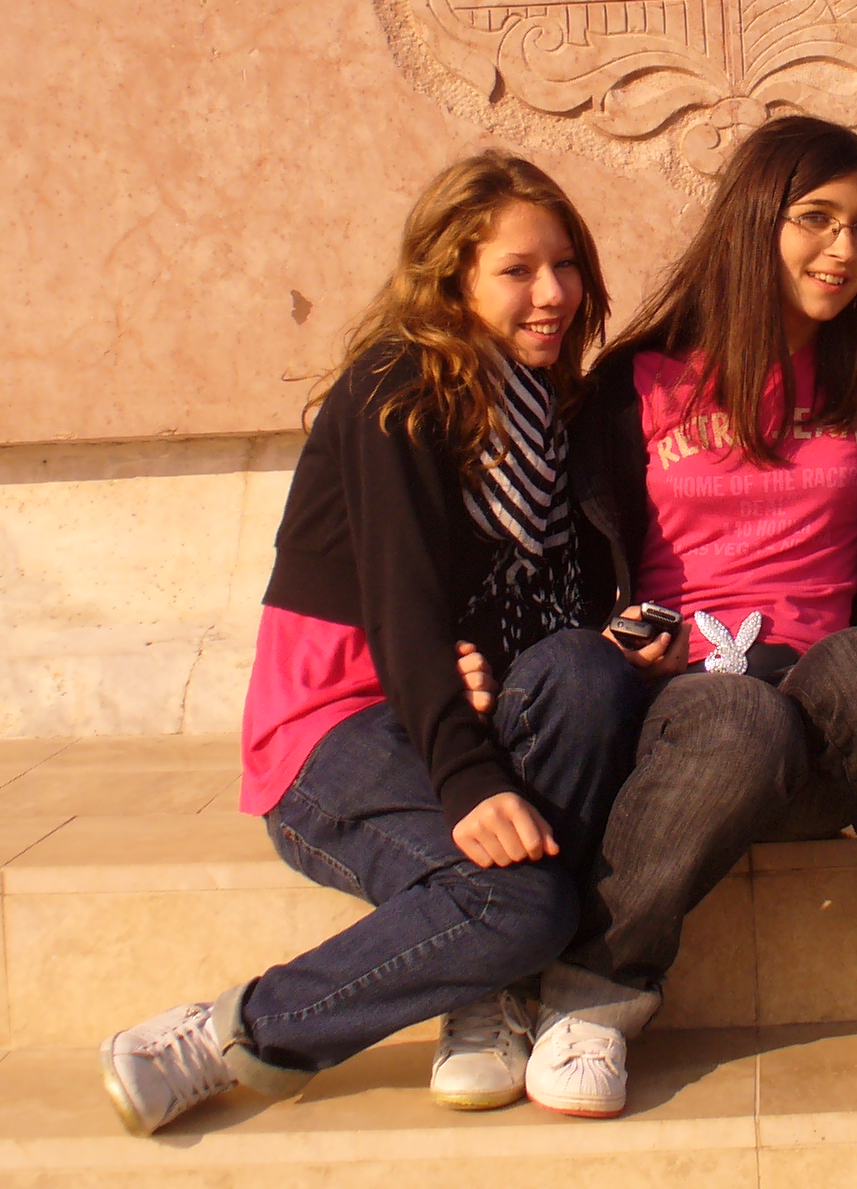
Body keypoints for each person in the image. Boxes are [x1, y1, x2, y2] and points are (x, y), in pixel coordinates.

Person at [98, 152, 669, 1134]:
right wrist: (470, 779)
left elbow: (534, 619)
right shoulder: (396, 392)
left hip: (443, 708)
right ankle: (232, 1033)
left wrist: (613, 644)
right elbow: (404, 610)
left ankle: (487, 995)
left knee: (584, 670)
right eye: (518, 270)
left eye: (566, 265)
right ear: (452, 280)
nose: (554, 293)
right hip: (334, 734)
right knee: (520, 905)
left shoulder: (547, 412)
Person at [510, 115, 857, 1118]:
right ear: (754, 219)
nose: (845, 249)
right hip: (695, 730)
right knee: (736, 716)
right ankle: (595, 994)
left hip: (831, 715)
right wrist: (627, 638)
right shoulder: (639, 382)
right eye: (816, 218)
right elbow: (584, 566)